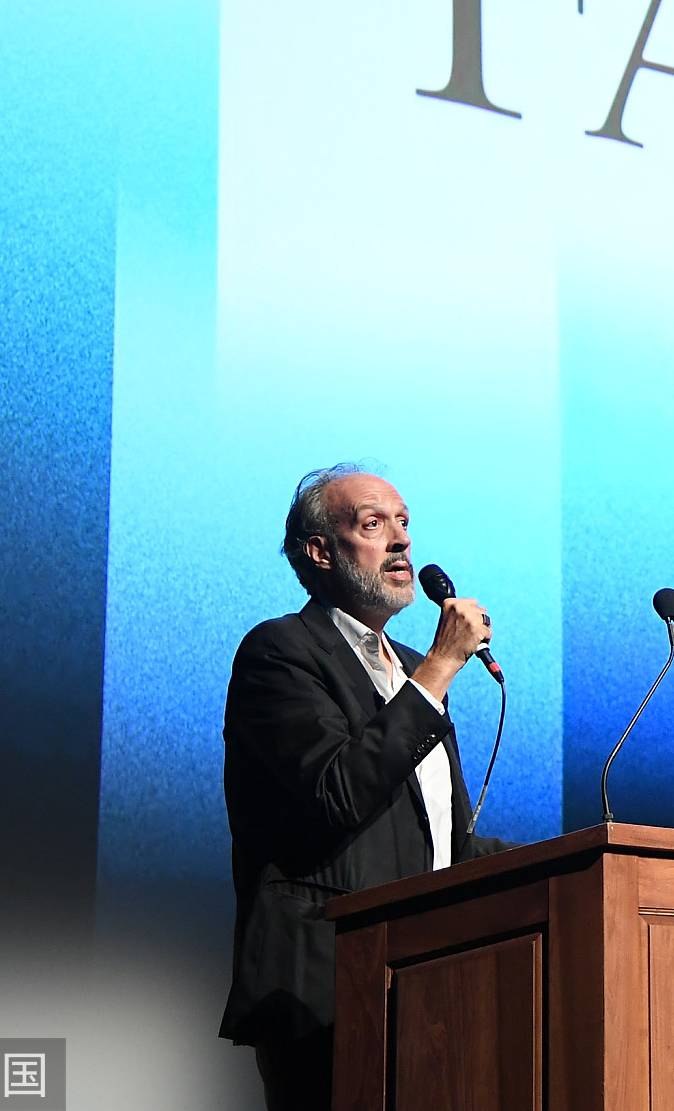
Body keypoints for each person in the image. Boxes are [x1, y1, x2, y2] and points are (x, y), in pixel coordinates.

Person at [219, 464, 515, 1111]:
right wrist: (441, 666)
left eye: (403, 521)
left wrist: (579, 856)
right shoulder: (281, 653)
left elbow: (440, 843)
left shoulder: (411, 670)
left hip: (431, 985)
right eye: (373, 523)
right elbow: (337, 793)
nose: (402, 540)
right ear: (320, 551)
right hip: (327, 987)